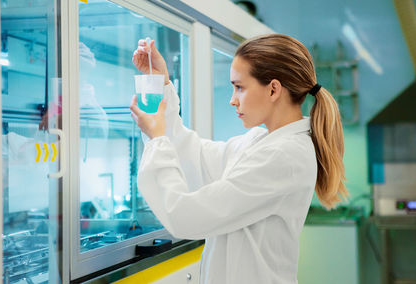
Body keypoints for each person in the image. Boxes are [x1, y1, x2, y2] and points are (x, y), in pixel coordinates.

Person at [130, 34, 348, 284]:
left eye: (239, 87)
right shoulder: (262, 142)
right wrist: (161, 83)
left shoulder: (283, 156)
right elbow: (195, 156)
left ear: (274, 89)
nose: (232, 99)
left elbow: (184, 217)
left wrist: (157, 140)